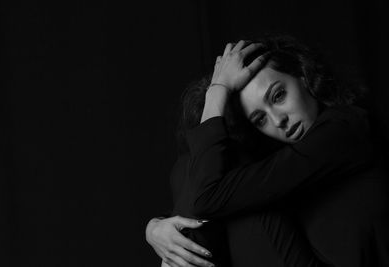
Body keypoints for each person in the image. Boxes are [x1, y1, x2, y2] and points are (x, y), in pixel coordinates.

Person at [145, 35, 389, 267]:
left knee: (210, 174)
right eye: (260, 119)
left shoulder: (345, 128)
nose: (278, 119)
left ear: (303, 76)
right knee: (192, 167)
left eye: (279, 95)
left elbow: (206, 197)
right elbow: (206, 194)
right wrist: (156, 229)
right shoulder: (281, 159)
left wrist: (217, 91)